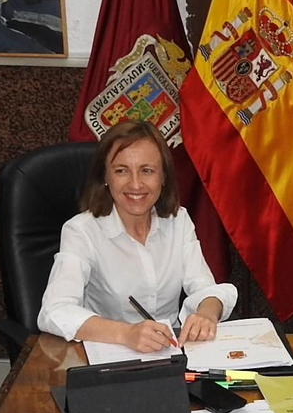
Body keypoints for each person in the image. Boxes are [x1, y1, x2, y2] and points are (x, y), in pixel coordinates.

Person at [38, 118, 238, 352]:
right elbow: (55, 310)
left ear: (163, 177)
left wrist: (206, 314)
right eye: (121, 170)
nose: (135, 184)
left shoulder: (178, 221)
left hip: (170, 352)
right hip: (108, 355)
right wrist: (126, 333)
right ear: (105, 176)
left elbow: (205, 289)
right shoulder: (81, 231)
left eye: (147, 170)